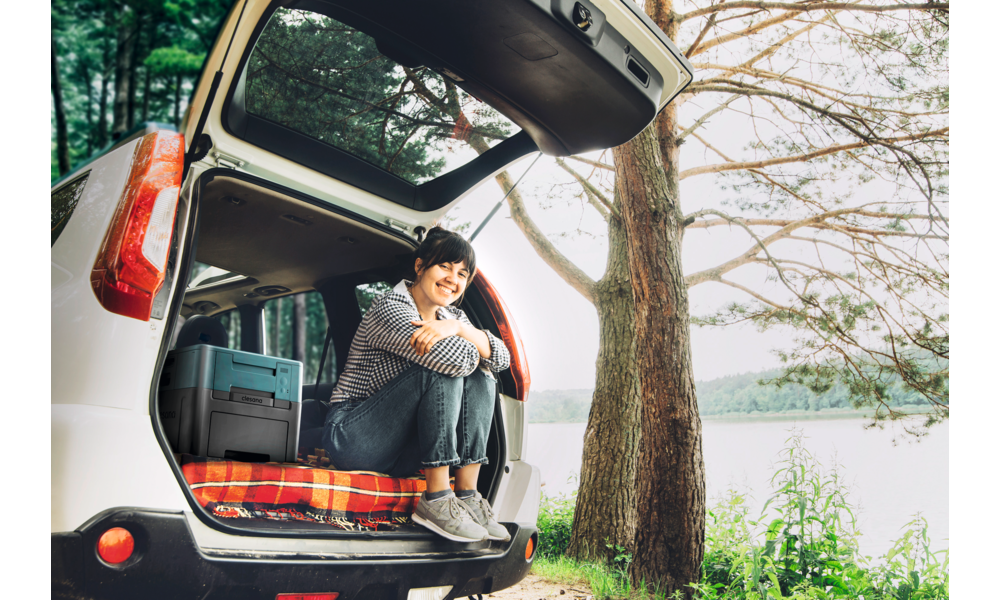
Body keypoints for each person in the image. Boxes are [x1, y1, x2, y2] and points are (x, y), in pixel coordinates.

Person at [318, 227, 511, 543]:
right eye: (445, 266)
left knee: (483, 375)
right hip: (353, 437)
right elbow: (455, 361)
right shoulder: (392, 307)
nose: (452, 279)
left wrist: (457, 328)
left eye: (462, 274)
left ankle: (467, 494)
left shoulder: (452, 316)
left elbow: (502, 359)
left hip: (404, 444)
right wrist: (475, 345)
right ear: (420, 266)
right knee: (445, 371)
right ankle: (436, 498)